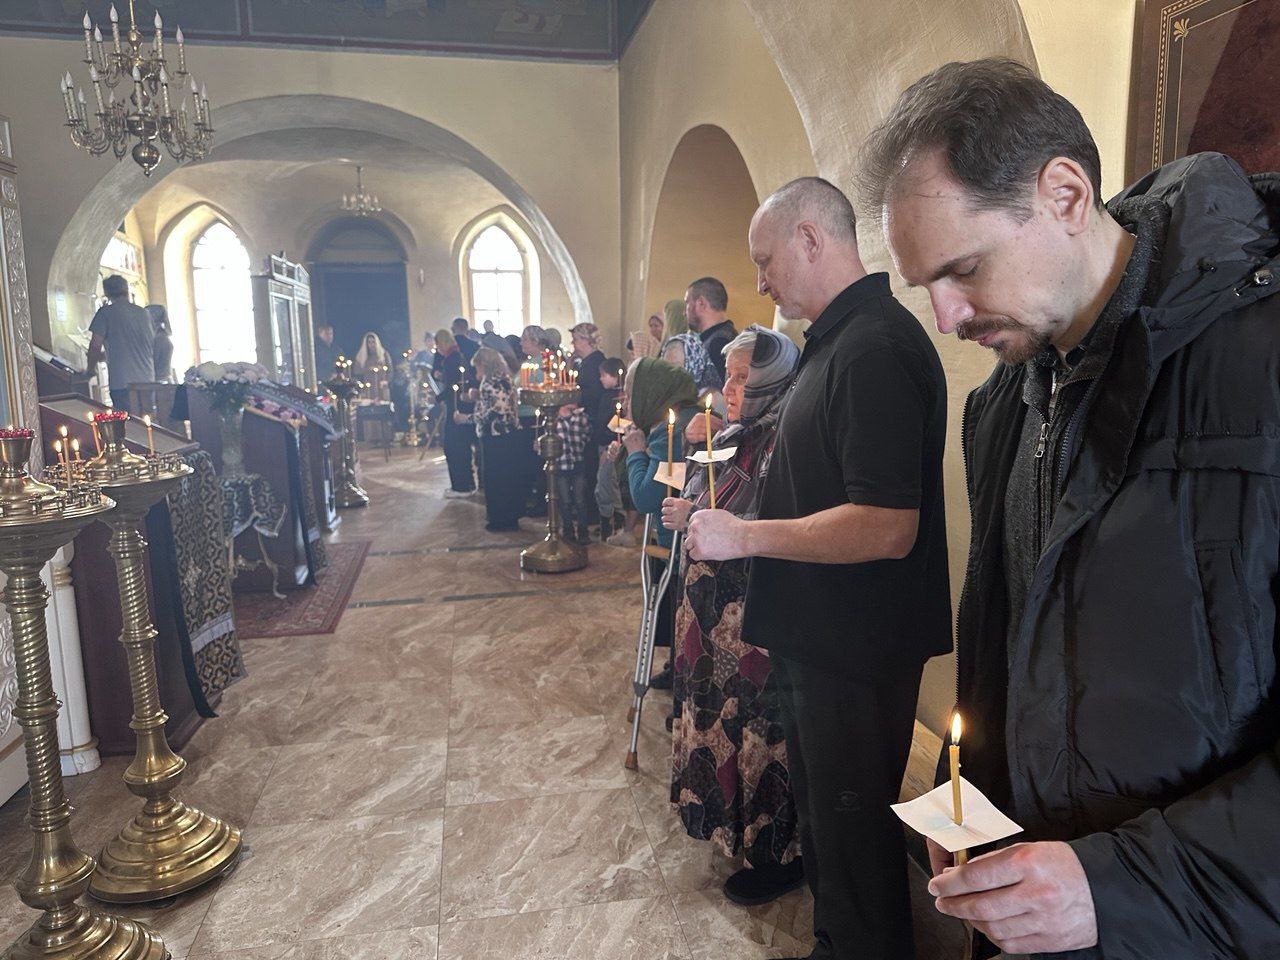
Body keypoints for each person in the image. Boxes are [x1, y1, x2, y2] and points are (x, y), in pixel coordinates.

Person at [861, 58, 1280, 959]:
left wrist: (1119, 890)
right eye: (925, 285)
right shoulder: (1002, 408)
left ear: (1064, 194)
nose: (945, 317)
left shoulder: (1263, 363)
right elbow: (1009, 662)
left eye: (962, 269)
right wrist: (968, 802)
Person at [684, 177, 951, 960]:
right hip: (825, 641)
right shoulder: (839, 341)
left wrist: (745, 535)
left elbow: (887, 525)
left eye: (764, 260)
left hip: (855, 648)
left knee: (854, 835)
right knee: (831, 830)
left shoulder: (874, 348)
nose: (760, 281)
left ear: (810, 239)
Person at [661, 325, 803, 906]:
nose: (731, 388)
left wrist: (711, 518)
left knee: (756, 734)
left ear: (774, 378)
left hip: (750, 621)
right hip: (709, 619)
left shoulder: (786, 439)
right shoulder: (734, 434)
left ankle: (775, 854)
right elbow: (711, 504)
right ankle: (730, 829)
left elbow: (774, 524)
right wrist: (688, 509)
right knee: (718, 726)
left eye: (745, 377)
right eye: (728, 376)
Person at [621, 357, 700, 685]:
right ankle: (676, 668)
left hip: (679, 542)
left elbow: (648, 496)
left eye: (630, 393)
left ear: (651, 391)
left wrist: (635, 453)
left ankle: (680, 677)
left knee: (678, 609)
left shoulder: (672, 434)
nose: (626, 401)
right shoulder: (689, 418)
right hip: (689, 536)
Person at [454, 347, 523, 531]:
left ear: (484, 364)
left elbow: (495, 412)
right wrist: (477, 397)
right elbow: (495, 402)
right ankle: (508, 517)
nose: (476, 371)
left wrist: (465, 418)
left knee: (496, 480)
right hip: (506, 435)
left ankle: (501, 520)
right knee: (506, 479)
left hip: (497, 436)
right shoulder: (503, 378)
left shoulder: (492, 382)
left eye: (477, 367)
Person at [86, 274, 154, 412]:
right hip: (147, 379)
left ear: (106, 292)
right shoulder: (143, 313)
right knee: (148, 420)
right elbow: (140, 346)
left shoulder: (105, 313)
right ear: (126, 290)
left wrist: (90, 370)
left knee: (128, 421)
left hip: (122, 381)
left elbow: (95, 346)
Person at [433, 328, 475, 498]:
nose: (437, 348)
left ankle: (461, 487)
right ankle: (467, 484)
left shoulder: (451, 359)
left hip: (456, 407)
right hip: (460, 406)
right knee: (461, 447)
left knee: (454, 447)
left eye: (437, 344)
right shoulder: (456, 356)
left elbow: (452, 386)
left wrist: (438, 397)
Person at [592, 357, 625, 540]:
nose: (601, 378)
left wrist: (608, 448)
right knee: (604, 484)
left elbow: (618, 427)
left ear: (614, 375)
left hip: (611, 447)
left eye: (604, 375)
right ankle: (606, 524)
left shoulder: (620, 398)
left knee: (606, 485)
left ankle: (612, 526)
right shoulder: (606, 395)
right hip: (603, 445)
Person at [684, 278, 736, 381]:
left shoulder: (719, 343)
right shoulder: (722, 337)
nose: (684, 312)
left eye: (687, 303)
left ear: (701, 303)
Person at [553, 400, 590, 543]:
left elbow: (587, 435)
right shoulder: (554, 420)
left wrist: (579, 446)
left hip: (577, 463)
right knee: (565, 501)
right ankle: (568, 532)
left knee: (580, 500)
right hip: (561, 465)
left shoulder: (581, 417)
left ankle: (583, 532)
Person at [146, 304, 174, 383]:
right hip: (162, 379)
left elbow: (154, 362)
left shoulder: (160, 338)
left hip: (160, 381)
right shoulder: (162, 335)